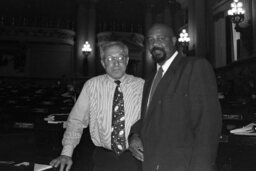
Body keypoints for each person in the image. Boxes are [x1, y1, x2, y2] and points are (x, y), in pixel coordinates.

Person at [129, 23, 222, 171]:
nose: (155, 44)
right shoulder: (150, 80)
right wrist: (134, 134)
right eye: (151, 40)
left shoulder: (194, 67)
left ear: (173, 41)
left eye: (161, 38)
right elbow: (150, 117)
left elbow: (208, 124)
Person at [50, 41, 144, 171]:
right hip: (103, 159)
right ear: (103, 63)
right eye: (110, 58)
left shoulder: (142, 86)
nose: (116, 63)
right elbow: (77, 120)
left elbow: (152, 120)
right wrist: (66, 153)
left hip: (134, 158)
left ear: (127, 60)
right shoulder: (91, 86)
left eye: (120, 58)